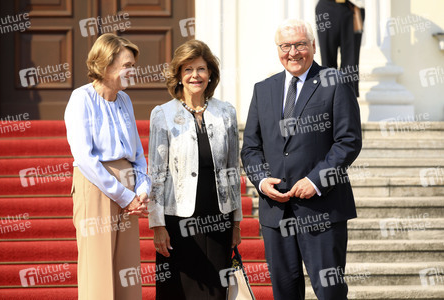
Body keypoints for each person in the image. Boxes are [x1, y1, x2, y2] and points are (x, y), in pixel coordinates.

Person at [241, 19, 362, 300]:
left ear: (313, 46)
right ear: (278, 49)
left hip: (322, 208)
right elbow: (250, 147)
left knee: (330, 292)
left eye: (299, 45)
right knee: (285, 293)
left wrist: (315, 181)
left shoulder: (335, 81)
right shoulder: (263, 89)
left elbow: (349, 141)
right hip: (276, 211)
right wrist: (261, 181)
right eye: (286, 46)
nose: (293, 52)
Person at [148, 39, 242, 300]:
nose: (195, 76)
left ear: (210, 73)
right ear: (178, 75)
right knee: (178, 291)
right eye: (188, 69)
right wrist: (157, 224)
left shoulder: (226, 113)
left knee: (214, 291)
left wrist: (236, 222)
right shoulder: (162, 114)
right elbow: (156, 174)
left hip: (218, 218)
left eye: (200, 69)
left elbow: (233, 168)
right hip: (177, 220)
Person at [65, 33, 150, 300]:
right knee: (97, 267)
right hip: (96, 187)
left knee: (126, 268)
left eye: (132, 67)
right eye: (127, 66)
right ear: (105, 64)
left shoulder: (125, 100)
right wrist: (125, 196)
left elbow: (136, 151)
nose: (131, 72)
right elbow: (85, 157)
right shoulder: (82, 99)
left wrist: (143, 186)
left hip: (129, 188)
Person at [316, 0, 365, 97]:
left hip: (353, 8)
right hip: (326, 8)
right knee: (327, 64)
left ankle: (349, 106)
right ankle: (328, 103)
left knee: (351, 65)